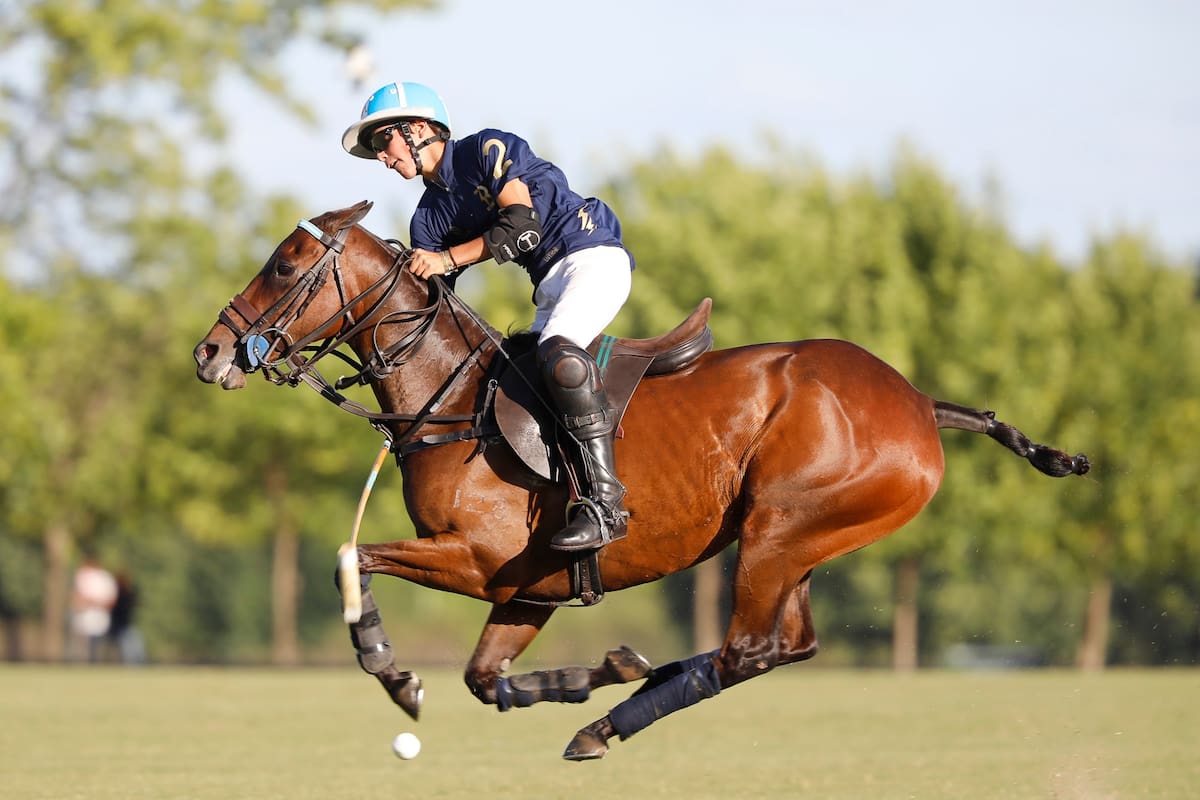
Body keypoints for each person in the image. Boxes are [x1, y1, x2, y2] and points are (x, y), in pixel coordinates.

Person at [342, 82, 634, 553]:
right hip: (548, 285)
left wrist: (446, 260)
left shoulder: (487, 148)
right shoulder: (427, 220)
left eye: (383, 141)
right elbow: (431, 313)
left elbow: (522, 226)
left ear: (417, 129)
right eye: (376, 148)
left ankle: (604, 505)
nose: (381, 156)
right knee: (517, 383)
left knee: (555, 353)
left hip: (591, 257)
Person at [70, 554, 117, 663]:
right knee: (80, 650)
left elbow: (111, 600)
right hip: (82, 620)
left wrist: (93, 602)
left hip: (99, 619)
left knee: (97, 649)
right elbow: (76, 598)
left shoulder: (104, 578)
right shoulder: (81, 576)